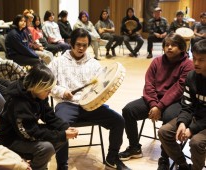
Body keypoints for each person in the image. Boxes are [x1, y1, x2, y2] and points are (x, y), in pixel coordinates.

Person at [49, 28, 130, 170]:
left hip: (90, 106)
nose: (81, 48)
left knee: (119, 121)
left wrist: (100, 95)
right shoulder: (57, 62)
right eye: (78, 44)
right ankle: (62, 165)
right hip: (67, 104)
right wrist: (62, 91)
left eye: (85, 45)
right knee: (60, 126)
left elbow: (101, 87)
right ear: (71, 43)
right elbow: (48, 84)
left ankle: (112, 159)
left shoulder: (94, 64)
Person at [118, 33, 194, 170]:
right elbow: (149, 84)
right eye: (166, 45)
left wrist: (160, 106)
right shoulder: (157, 61)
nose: (169, 47)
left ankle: (164, 157)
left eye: (173, 45)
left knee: (169, 117)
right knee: (128, 110)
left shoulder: (188, 64)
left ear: (182, 48)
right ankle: (134, 147)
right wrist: (154, 104)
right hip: (155, 101)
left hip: (175, 101)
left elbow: (178, 89)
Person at [0, 62, 78, 170]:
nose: (49, 92)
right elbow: (29, 133)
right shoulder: (19, 102)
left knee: (61, 137)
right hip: (12, 139)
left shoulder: (38, 94)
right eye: (47, 89)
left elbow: (49, 116)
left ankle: (39, 164)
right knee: (47, 148)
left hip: (26, 131)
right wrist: (61, 135)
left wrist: (65, 128)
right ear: (37, 86)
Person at [158, 39, 206, 170]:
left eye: (201, 60)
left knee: (196, 142)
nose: (195, 63)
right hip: (196, 117)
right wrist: (183, 122)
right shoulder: (191, 76)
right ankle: (183, 165)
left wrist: (192, 129)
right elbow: (187, 105)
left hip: (203, 122)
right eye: (194, 58)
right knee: (164, 132)